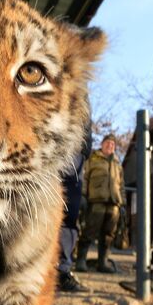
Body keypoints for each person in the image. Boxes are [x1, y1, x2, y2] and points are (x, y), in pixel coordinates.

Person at [76, 133, 125, 274]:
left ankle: (103, 263)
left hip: (114, 204)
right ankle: (81, 260)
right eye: (107, 143)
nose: (110, 146)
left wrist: (123, 204)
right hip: (96, 201)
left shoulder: (117, 163)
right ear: (102, 144)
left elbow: (121, 185)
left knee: (109, 234)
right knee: (89, 231)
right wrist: (83, 195)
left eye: (113, 144)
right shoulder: (93, 159)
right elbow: (85, 178)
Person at [57, 119, 92, 292]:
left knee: (69, 214)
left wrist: (85, 147)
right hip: (46, 136)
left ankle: (62, 271)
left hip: (75, 148)